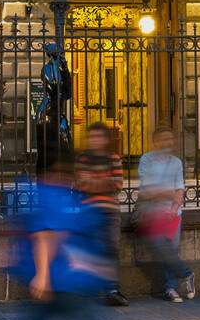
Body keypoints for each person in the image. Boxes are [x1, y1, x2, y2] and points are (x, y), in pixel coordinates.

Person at [6, 147, 109, 320]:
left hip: (54, 278)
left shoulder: (36, 193)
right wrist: (43, 277)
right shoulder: (53, 195)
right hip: (58, 282)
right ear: (56, 172)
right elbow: (46, 236)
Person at [136, 125, 193, 302]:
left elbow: (180, 189)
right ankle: (186, 273)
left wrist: (174, 208)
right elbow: (147, 190)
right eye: (162, 139)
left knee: (171, 250)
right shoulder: (147, 160)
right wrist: (169, 193)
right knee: (161, 247)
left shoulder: (176, 163)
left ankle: (170, 288)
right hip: (152, 213)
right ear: (155, 142)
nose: (166, 143)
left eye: (169, 139)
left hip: (172, 213)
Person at [76, 122, 127, 307]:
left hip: (110, 212)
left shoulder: (113, 158)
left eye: (99, 136)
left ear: (106, 139)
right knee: (92, 248)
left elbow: (118, 184)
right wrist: (104, 182)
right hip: (89, 211)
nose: (95, 140)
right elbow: (82, 184)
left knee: (111, 248)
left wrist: (94, 182)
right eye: (92, 137)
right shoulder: (83, 159)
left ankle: (112, 289)